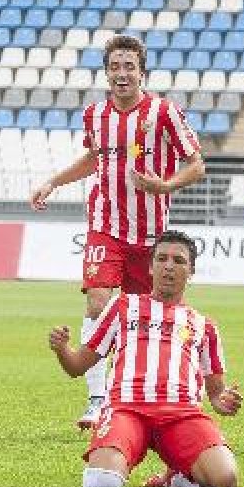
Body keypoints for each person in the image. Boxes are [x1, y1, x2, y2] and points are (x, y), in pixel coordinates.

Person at [31, 34, 206, 429]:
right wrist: (53, 182)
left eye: (129, 66)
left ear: (142, 73)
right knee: (97, 303)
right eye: (115, 67)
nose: (122, 73)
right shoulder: (95, 115)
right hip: (105, 227)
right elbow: (95, 159)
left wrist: (165, 186)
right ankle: (97, 400)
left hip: (151, 236)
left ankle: (151, 391)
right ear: (106, 73)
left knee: (151, 315)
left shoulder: (163, 112)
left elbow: (197, 165)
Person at [47, 230, 242, 487]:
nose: (169, 266)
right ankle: (132, 457)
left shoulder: (204, 325)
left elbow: (216, 393)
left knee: (226, 482)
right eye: (161, 259)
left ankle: (174, 477)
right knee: (101, 484)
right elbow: (77, 366)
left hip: (181, 414)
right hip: (126, 409)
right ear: (150, 267)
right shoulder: (121, 306)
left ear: (191, 271)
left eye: (179, 261)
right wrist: (62, 350)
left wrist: (222, 400)